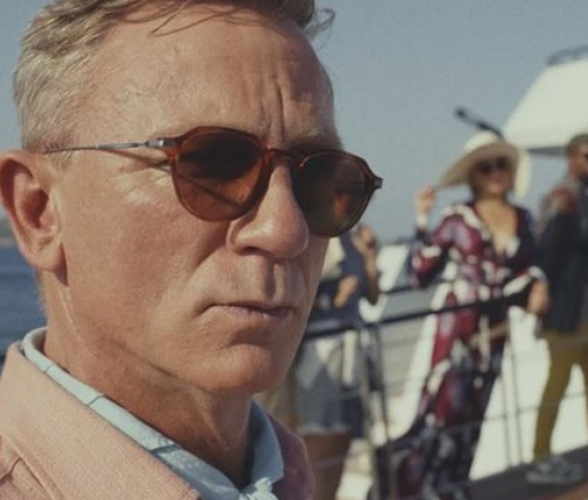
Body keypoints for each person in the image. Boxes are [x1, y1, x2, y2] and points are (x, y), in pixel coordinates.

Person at [0, 1, 382, 499]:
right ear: (39, 211)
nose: (286, 229)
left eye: (319, 177)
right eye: (212, 165)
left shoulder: (283, 477)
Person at [378, 131, 547, 500]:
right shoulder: (457, 218)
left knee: (474, 417)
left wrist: (538, 284)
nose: (495, 172)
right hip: (457, 330)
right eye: (486, 167)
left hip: (495, 333)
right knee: (441, 412)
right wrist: (422, 218)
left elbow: (530, 265)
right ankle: (415, 490)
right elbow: (420, 273)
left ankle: (454, 488)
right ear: (473, 176)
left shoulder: (523, 218)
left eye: (501, 165)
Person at [526, 133, 588, 486]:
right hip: (564, 310)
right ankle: (540, 454)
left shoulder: (581, 199)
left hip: (582, 308)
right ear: (571, 158)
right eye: (587, 157)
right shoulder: (562, 198)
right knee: (558, 380)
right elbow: (547, 252)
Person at [279, 223, 381, 500]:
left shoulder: (357, 240)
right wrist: (332, 300)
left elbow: (373, 297)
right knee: (319, 435)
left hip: (352, 351)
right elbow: (294, 296)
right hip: (322, 351)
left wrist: (371, 258)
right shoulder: (319, 238)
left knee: (343, 436)